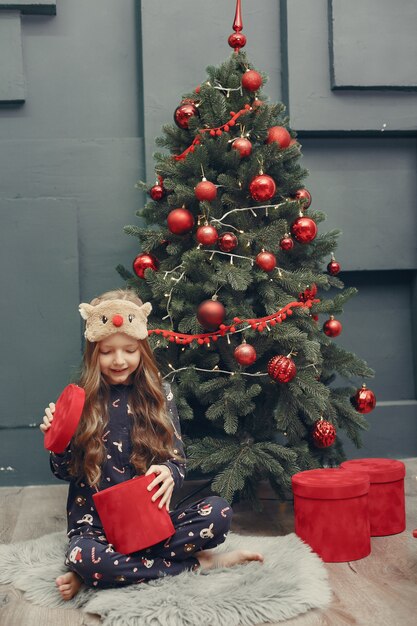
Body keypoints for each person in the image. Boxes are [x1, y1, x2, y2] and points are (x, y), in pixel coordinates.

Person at [40, 289, 263, 601]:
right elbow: (64, 471)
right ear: (94, 354)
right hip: (96, 530)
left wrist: (170, 472)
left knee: (218, 513)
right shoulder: (82, 400)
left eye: (129, 350)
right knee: (83, 555)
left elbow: (177, 461)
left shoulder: (161, 394)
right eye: (107, 352)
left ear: (142, 350)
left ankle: (101, 574)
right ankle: (195, 565)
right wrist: (58, 440)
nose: (119, 360)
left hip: (146, 525)